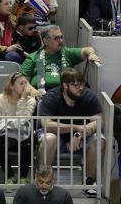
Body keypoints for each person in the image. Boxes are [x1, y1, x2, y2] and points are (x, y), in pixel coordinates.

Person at [37, 68, 102, 196]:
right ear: (65, 85)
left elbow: (99, 120)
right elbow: (46, 124)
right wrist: (75, 128)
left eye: (82, 84)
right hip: (56, 137)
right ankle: (43, 182)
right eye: (76, 85)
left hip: (80, 139)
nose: (81, 88)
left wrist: (80, 134)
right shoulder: (51, 97)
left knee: (99, 139)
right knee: (49, 139)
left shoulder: (88, 96)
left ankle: (89, 182)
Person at [0, 72, 38, 181]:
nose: (25, 86)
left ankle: (23, 177)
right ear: (12, 86)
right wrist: (12, 126)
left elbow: (22, 122)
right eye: (21, 83)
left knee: (30, 140)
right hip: (6, 136)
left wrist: (22, 100)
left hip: (23, 135)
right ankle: (9, 176)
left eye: (26, 83)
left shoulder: (31, 100)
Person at [21, 26, 102, 91]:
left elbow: (87, 49)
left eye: (61, 37)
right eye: (56, 38)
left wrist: (91, 54)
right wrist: (32, 90)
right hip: (41, 95)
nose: (60, 40)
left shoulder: (66, 52)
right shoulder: (32, 58)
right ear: (45, 41)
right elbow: (22, 82)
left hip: (67, 94)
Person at [11, 166, 76, 204]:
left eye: (48, 183)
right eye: (41, 182)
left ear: (53, 180)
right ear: (35, 178)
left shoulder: (64, 195)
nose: (44, 186)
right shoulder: (23, 191)